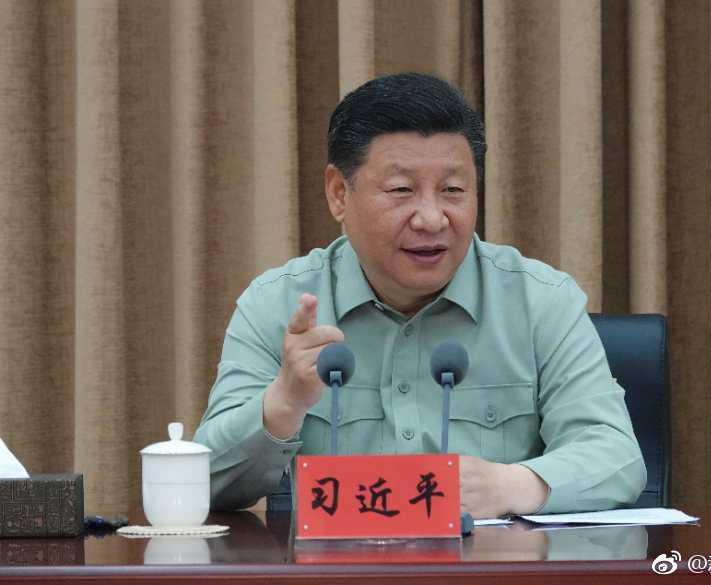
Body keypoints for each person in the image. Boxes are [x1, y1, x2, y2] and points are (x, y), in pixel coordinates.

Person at [194, 72, 646, 518]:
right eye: (401, 190)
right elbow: (204, 483)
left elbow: (617, 458)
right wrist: (284, 402)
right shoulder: (277, 306)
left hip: (489, 560)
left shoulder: (540, 302)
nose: (431, 219)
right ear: (338, 194)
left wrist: (509, 486)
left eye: (453, 190)